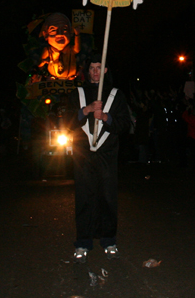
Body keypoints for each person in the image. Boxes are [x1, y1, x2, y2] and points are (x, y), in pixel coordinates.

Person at [67, 55, 130, 263]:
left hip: (107, 154)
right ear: (87, 71)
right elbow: (67, 123)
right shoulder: (78, 93)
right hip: (83, 153)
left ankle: (109, 240)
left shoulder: (116, 95)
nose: (95, 71)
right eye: (92, 68)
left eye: (99, 67)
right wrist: (86, 110)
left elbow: (124, 125)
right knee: (84, 197)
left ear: (105, 71)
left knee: (108, 197)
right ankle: (83, 243)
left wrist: (104, 117)